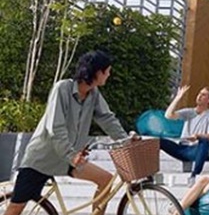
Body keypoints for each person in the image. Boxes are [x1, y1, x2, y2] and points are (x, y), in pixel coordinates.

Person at [3, 50, 137, 215]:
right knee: (16, 207)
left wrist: (125, 140)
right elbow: (56, 128)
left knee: (105, 180)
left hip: (70, 160)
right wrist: (71, 155)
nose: (109, 75)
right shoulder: (62, 88)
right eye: (107, 71)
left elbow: (107, 118)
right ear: (97, 72)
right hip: (42, 159)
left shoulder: (93, 94)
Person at [160, 85, 209, 185]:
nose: (199, 96)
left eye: (203, 95)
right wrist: (178, 97)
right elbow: (168, 115)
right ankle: (150, 174)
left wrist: (197, 136)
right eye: (199, 93)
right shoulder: (189, 112)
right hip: (182, 148)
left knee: (205, 141)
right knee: (158, 142)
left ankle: (194, 175)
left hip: (196, 149)